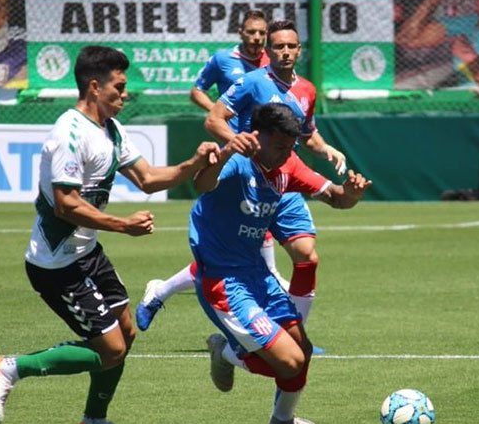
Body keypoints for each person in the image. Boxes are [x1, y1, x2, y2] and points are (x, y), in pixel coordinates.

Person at [0, 45, 220, 424]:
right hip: (56, 264)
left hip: (86, 253)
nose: (125, 94)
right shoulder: (69, 133)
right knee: (111, 349)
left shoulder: (111, 129)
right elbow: (66, 204)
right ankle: (8, 368)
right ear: (94, 86)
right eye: (118, 87)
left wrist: (193, 163)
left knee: (126, 333)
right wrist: (123, 225)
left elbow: (147, 178)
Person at [136, 20, 347, 344]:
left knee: (306, 255)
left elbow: (307, 135)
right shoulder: (252, 81)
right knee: (234, 260)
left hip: (286, 173)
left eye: (291, 46)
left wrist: (327, 148)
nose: (285, 52)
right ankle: (163, 292)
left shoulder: (307, 89)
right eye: (279, 46)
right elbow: (213, 119)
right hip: (249, 178)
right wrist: (236, 143)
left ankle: (295, 339)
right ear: (268, 51)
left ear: (300, 50)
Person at [192, 103, 370, 424]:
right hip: (225, 281)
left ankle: (282, 422)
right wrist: (227, 150)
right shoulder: (237, 161)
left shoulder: (288, 162)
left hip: (257, 274)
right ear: (256, 136)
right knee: (290, 362)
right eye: (279, 147)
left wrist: (351, 194)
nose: (286, 155)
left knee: (302, 350)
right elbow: (201, 185)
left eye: (290, 147)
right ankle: (226, 352)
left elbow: (336, 197)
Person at [190, 10, 269, 112]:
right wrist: (218, 113)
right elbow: (197, 92)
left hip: (266, 121)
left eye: (262, 33)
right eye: (251, 32)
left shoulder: (274, 59)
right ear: (241, 33)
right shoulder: (222, 59)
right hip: (232, 122)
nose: (257, 37)